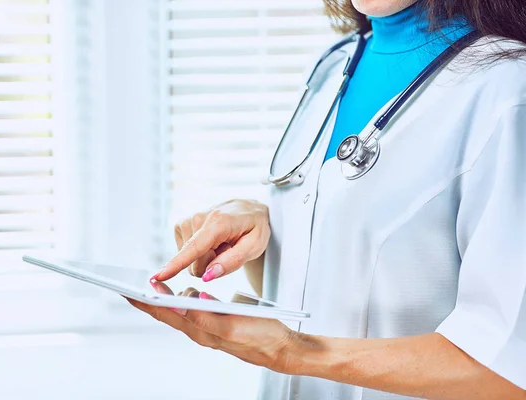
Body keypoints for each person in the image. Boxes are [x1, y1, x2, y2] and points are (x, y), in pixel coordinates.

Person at [128, 0, 526, 399]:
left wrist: (297, 352)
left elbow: (509, 368)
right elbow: (346, 273)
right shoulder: (334, 65)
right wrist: (259, 241)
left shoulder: (508, 90)